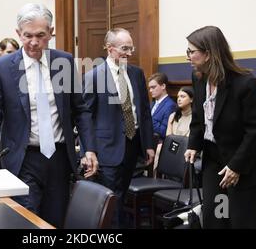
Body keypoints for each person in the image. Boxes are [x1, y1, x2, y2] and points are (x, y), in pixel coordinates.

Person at [0, 3, 98, 228]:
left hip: (59, 159)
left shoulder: (64, 62)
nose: (34, 42)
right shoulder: (0, 68)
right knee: (27, 221)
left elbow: (80, 110)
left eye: (41, 36)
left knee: (55, 220)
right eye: (28, 36)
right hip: (22, 159)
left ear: (51, 33)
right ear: (18, 34)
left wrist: (89, 148)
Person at [184, 26, 256, 229]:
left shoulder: (245, 83)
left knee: (238, 222)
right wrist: (193, 144)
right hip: (216, 158)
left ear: (209, 53)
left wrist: (236, 166)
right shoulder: (198, 78)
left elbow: (255, 130)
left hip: (247, 162)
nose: (188, 57)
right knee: (215, 217)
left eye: (191, 51)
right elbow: (199, 117)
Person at [83, 28, 155, 228]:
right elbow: (85, 117)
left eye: (131, 48)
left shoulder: (136, 73)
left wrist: (148, 144)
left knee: (122, 196)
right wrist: (88, 150)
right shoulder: (94, 76)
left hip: (132, 145)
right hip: (106, 148)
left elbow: (143, 111)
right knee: (110, 198)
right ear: (109, 48)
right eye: (125, 48)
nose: (129, 53)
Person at [154, 86, 194, 171]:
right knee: (159, 148)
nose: (179, 99)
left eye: (183, 96)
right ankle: (155, 177)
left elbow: (189, 139)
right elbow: (169, 137)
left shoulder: (195, 118)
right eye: (178, 97)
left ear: (191, 99)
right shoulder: (173, 116)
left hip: (187, 148)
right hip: (173, 146)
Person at [148, 72, 176, 143]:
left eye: (153, 87)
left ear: (163, 86)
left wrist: (147, 119)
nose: (150, 91)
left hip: (159, 144)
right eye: (150, 88)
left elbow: (164, 131)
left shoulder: (170, 105)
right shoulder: (152, 104)